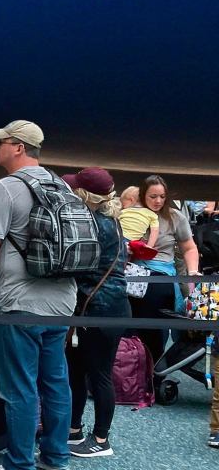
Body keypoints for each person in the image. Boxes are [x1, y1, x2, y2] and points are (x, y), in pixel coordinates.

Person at [0, 119, 74, 470]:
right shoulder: (62, 185)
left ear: (18, 147)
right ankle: (56, 457)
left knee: (19, 389)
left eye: (3, 142)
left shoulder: (6, 188)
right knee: (55, 383)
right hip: (62, 302)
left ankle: (19, 463)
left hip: (19, 303)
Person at [64, 167, 131, 459]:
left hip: (97, 306)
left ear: (84, 195)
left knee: (97, 374)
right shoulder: (113, 221)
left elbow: (77, 264)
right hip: (109, 306)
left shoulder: (91, 223)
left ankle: (101, 439)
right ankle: (74, 430)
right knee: (80, 371)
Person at [128, 175, 201, 363]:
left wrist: (192, 273)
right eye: (153, 196)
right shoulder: (130, 214)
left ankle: (153, 378)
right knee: (131, 332)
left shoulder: (176, 217)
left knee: (155, 334)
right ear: (143, 195)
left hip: (161, 278)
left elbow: (189, 247)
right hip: (132, 276)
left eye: (162, 196)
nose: (158, 201)